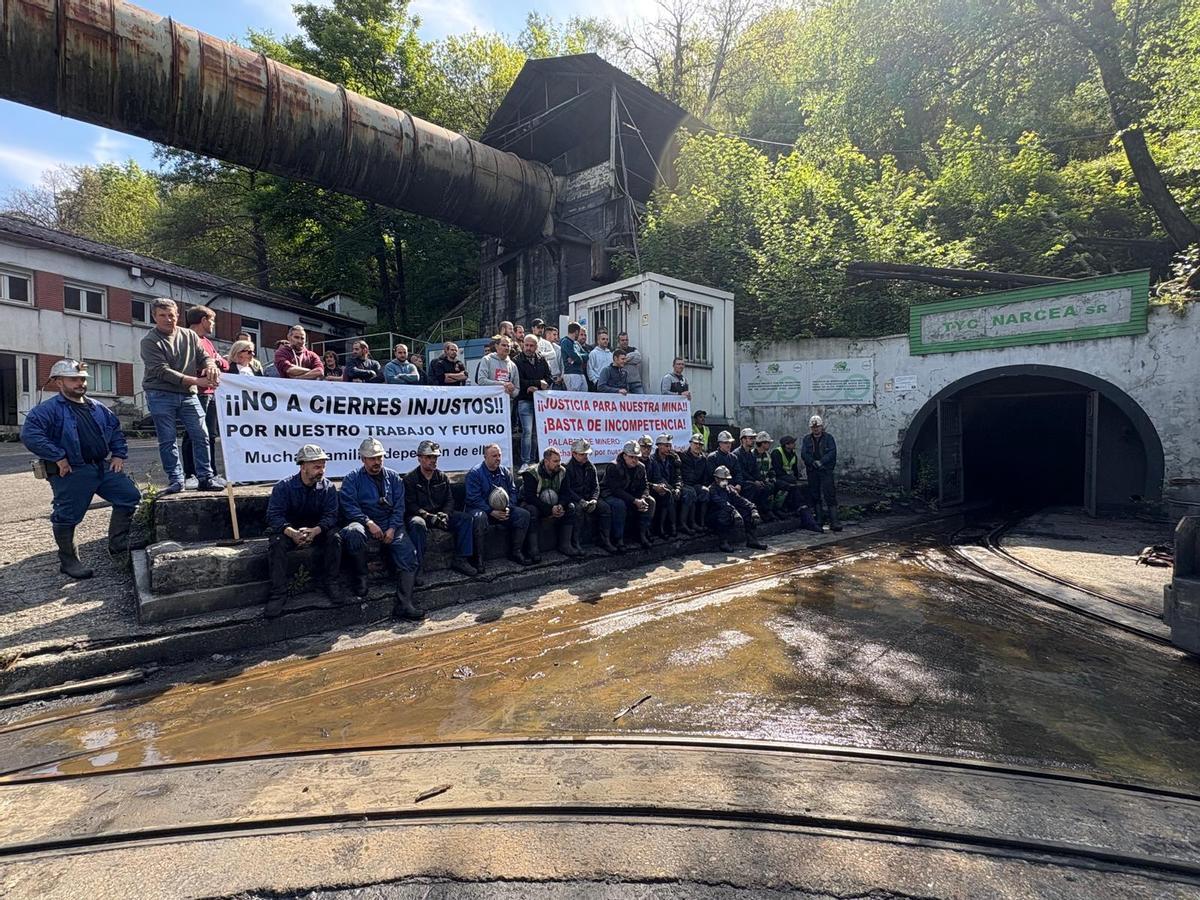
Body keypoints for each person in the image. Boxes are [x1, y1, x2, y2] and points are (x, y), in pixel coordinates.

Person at [21, 359, 142, 579]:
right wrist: (58, 456)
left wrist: (118, 454)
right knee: (67, 516)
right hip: (71, 472)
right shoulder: (46, 410)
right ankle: (69, 561)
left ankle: (118, 543)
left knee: (129, 495)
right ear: (58, 382)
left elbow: (115, 430)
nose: (80, 383)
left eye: (82, 379)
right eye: (73, 379)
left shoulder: (97, 407)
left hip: (101, 467)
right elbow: (31, 435)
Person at [140, 297, 225, 494]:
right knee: (168, 439)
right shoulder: (149, 341)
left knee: (202, 435)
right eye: (162, 315)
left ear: (178, 315)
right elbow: (162, 371)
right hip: (160, 393)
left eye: (171, 315)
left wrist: (210, 366)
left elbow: (204, 356)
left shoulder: (190, 335)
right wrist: (197, 381)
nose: (168, 319)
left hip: (188, 394)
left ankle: (205, 477)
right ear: (154, 317)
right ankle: (177, 480)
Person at [339, 438, 422, 619]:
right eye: (372, 458)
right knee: (353, 532)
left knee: (408, 553)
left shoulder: (393, 478)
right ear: (362, 459)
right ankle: (361, 577)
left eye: (379, 458)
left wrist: (392, 528)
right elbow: (349, 506)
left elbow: (399, 507)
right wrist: (367, 522)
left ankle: (404, 604)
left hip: (390, 523)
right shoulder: (352, 479)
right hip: (364, 523)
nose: (377, 462)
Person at [264, 444, 342, 617]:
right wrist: (291, 532)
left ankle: (331, 582)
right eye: (316, 467)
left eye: (323, 466)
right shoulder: (284, 487)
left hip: (316, 530)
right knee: (276, 543)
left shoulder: (328, 488)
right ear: (303, 466)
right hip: (289, 531)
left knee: (335, 537)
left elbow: (331, 516)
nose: (321, 471)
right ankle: (278, 593)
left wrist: (316, 530)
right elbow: (274, 516)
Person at [404, 440, 480, 580]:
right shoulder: (410, 479)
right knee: (417, 524)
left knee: (465, 519)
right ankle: (417, 566)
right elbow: (410, 505)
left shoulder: (442, 477)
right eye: (429, 457)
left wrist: (445, 514)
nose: (433, 460)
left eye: (435, 457)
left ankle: (461, 559)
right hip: (421, 516)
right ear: (419, 458)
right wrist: (427, 516)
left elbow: (450, 500)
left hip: (439, 515)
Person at [180, 306, 230, 490]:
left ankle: (210, 472)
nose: (214, 324)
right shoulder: (185, 338)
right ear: (203, 320)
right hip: (195, 392)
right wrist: (209, 365)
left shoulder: (207, 342)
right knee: (193, 434)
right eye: (212, 320)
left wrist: (216, 362)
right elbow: (187, 365)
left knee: (210, 435)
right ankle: (190, 474)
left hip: (211, 393)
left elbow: (223, 363)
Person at [465, 443, 533, 569]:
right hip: (481, 510)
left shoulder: (505, 472)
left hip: (502, 510)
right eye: (494, 456)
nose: (498, 458)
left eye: (499, 455)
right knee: (479, 518)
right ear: (485, 457)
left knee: (523, 515)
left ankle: (516, 552)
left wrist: (508, 507)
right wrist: (490, 511)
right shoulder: (475, 473)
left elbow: (513, 491)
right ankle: (478, 558)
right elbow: (473, 498)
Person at [520, 447, 578, 560]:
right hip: (534, 503)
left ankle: (565, 545)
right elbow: (530, 497)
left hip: (555, 504)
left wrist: (561, 505)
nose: (558, 464)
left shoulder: (563, 471)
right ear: (546, 461)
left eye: (559, 460)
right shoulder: (531, 473)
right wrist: (549, 509)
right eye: (555, 461)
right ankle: (533, 549)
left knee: (570, 507)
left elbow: (566, 492)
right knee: (532, 511)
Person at [563, 438, 617, 554]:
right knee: (577, 510)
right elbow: (567, 490)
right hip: (575, 499)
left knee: (605, 508)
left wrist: (594, 499)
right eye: (582, 454)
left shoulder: (590, 466)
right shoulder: (567, 468)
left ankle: (605, 540)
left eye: (586, 454)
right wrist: (581, 501)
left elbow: (596, 486)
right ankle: (575, 542)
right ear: (574, 454)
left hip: (589, 498)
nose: (585, 456)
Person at [602, 440, 653, 550]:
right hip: (610, 494)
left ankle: (642, 534)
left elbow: (645, 486)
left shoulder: (641, 467)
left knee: (650, 501)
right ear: (624, 455)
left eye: (636, 457)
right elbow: (616, 490)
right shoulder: (613, 466)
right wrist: (635, 500)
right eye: (631, 457)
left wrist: (643, 498)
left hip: (630, 494)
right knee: (619, 505)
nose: (634, 460)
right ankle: (618, 539)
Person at [707, 465, 767, 552]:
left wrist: (752, 508)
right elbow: (722, 503)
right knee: (725, 512)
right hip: (715, 518)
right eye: (722, 479)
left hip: (730, 514)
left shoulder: (729, 489)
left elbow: (740, 500)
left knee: (747, 511)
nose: (725, 481)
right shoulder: (712, 489)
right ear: (716, 479)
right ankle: (723, 542)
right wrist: (734, 511)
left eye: (726, 479)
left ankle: (752, 540)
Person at [514, 334, 552, 465]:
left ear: (536, 346)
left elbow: (549, 377)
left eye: (531, 345)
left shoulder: (541, 359)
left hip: (539, 401)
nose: (528, 348)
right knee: (527, 431)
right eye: (526, 345)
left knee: (536, 433)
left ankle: (532, 461)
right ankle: (525, 461)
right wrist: (537, 383)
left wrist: (542, 384)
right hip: (525, 400)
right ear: (523, 344)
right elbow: (517, 380)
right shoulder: (517, 360)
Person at [772, 435, 822, 532]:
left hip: (789, 478)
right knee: (792, 488)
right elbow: (777, 470)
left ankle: (808, 513)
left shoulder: (793, 454)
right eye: (792, 443)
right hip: (779, 478)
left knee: (804, 488)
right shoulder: (777, 453)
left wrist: (795, 478)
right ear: (786, 445)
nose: (794, 444)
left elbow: (795, 470)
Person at [801, 414, 841, 531]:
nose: (816, 429)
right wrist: (813, 462)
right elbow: (804, 454)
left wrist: (822, 462)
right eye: (814, 427)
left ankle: (834, 521)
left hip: (826, 470)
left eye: (818, 427)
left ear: (822, 427)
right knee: (815, 494)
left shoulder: (829, 438)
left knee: (830, 494)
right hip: (813, 471)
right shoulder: (807, 439)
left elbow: (832, 452)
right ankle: (819, 520)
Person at [647, 433, 682, 539]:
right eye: (666, 446)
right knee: (667, 495)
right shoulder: (652, 459)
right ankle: (665, 527)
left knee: (685, 494)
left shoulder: (672, 459)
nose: (669, 448)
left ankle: (676, 525)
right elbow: (658, 478)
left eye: (670, 446)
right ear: (659, 446)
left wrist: (678, 487)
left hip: (670, 486)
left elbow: (678, 476)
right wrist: (671, 489)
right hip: (655, 488)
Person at [474, 335, 520, 408]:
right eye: (503, 345)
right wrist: (502, 384)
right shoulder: (487, 360)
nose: (506, 348)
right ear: (496, 346)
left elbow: (517, 389)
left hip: (507, 407)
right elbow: (481, 380)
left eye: (508, 346)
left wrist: (511, 392)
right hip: (488, 405)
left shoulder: (513, 366)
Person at [679, 434, 710, 536]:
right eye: (695, 444)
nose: (698, 446)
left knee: (705, 491)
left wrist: (704, 485)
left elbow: (705, 476)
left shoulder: (703, 459)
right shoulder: (682, 456)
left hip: (696, 484)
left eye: (700, 444)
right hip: (684, 484)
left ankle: (702, 522)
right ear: (690, 444)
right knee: (690, 493)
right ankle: (685, 524)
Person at [732, 427, 767, 513]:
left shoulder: (751, 455)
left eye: (754, 438)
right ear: (743, 439)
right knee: (752, 487)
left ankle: (763, 511)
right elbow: (741, 472)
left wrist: (759, 480)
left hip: (751, 481)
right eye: (751, 438)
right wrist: (754, 481)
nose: (753, 440)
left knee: (766, 487)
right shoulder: (737, 454)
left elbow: (756, 470)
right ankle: (747, 511)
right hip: (740, 482)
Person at [752, 431, 778, 521]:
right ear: (762, 443)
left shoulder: (767, 455)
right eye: (768, 443)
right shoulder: (752, 455)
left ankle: (771, 511)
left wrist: (772, 479)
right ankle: (762, 512)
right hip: (756, 482)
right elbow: (751, 471)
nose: (769, 445)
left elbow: (771, 469)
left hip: (766, 482)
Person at [559, 322, 587, 392]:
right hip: (571, 373)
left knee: (584, 395)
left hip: (580, 373)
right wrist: (577, 357)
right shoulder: (565, 342)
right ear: (577, 331)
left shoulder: (576, 343)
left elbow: (586, 355)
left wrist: (577, 357)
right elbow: (577, 358)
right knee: (574, 397)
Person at [538, 323, 564, 388]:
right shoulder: (540, 346)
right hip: (544, 379)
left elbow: (562, 364)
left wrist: (561, 377)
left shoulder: (558, 349)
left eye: (557, 335)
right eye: (554, 335)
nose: (556, 337)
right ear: (548, 335)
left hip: (556, 379)